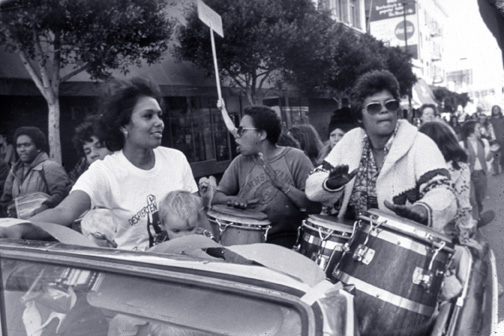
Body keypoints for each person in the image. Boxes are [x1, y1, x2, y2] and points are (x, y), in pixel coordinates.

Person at [0, 77, 198, 251]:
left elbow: (198, 217)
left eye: (159, 115)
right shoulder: (104, 172)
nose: (159, 122)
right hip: (135, 277)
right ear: (124, 125)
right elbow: (63, 212)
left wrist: (218, 254)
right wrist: (17, 228)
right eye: (148, 116)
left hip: (182, 271)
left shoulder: (176, 159)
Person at [305, 70, 456, 230]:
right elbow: (313, 183)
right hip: (352, 243)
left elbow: (444, 191)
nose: (384, 110)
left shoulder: (420, 144)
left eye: (390, 104)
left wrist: (424, 209)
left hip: (404, 246)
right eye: (374, 107)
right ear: (359, 116)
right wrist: (329, 184)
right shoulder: (350, 141)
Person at [212, 105, 320, 249]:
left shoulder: (296, 158)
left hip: (285, 239)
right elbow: (216, 198)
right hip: (245, 239)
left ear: (261, 135)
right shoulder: (239, 162)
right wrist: (232, 199)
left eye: (242, 131)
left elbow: (314, 206)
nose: (237, 135)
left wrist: (283, 186)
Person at [0, 126, 70, 218]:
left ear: (38, 147)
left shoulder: (49, 167)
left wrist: (45, 207)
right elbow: (5, 200)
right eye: (19, 146)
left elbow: (63, 193)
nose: (22, 149)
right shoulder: (14, 171)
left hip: (47, 223)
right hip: (21, 225)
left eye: (27, 145)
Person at [460, 120, 493, 220]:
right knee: (471, 200)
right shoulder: (462, 144)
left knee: (479, 199)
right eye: (478, 128)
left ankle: (477, 215)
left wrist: (494, 152)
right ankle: (473, 220)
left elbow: (489, 158)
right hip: (468, 175)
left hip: (482, 174)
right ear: (471, 130)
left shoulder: (484, 142)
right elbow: (458, 162)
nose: (480, 130)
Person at [68, 115, 112, 185]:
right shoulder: (85, 164)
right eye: (87, 152)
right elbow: (71, 184)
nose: (93, 154)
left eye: (99, 146)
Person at [489, 105, 504, 174]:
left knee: (503, 155)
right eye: (494, 109)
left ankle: (503, 168)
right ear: (492, 110)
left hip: (503, 139)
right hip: (494, 140)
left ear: (499, 110)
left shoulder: (502, 118)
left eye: (497, 109)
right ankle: (496, 171)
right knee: (495, 155)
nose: (495, 110)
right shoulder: (490, 120)